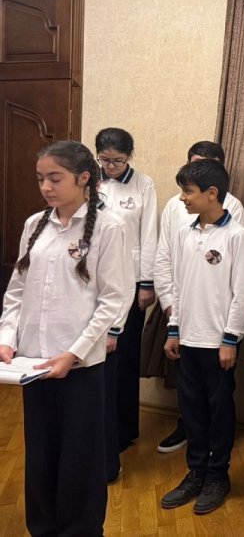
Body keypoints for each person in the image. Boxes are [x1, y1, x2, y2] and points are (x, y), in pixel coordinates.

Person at [1, 141, 131, 536]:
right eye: (41, 178)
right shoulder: (34, 225)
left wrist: (73, 354)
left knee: (80, 457)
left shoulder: (109, 228)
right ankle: (42, 528)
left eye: (55, 178)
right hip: (33, 364)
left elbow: (113, 300)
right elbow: (16, 291)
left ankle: (80, 530)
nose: (46, 187)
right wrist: (7, 339)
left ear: (83, 178)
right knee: (41, 453)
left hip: (79, 366)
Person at [161, 159, 244, 515]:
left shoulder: (236, 236)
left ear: (212, 193)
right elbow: (179, 286)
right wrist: (174, 329)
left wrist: (230, 339)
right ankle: (196, 472)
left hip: (218, 343)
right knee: (192, 411)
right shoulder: (186, 233)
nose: (182, 198)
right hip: (187, 339)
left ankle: (217, 475)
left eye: (188, 192)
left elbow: (241, 294)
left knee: (219, 411)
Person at [95, 127, 158, 478]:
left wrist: (146, 283)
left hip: (131, 281)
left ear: (130, 156)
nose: (111, 166)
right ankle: (101, 429)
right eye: (105, 160)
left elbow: (149, 234)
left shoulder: (144, 185)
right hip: (97, 280)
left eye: (117, 160)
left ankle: (124, 429)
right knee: (99, 356)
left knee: (125, 354)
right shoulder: (91, 181)